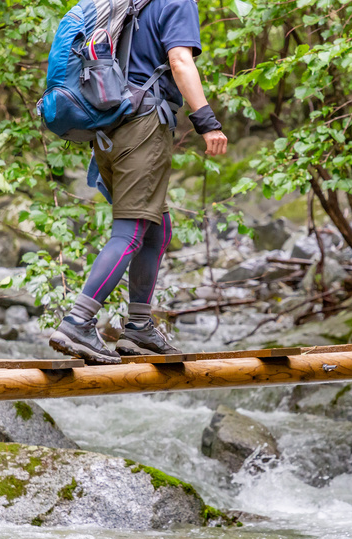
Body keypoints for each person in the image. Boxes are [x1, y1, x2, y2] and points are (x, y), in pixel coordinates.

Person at [49, 0, 228, 364]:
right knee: (131, 231)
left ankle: (139, 327)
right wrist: (207, 121)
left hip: (110, 123)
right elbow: (180, 61)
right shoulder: (177, 2)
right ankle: (78, 322)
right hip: (143, 124)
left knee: (156, 229)